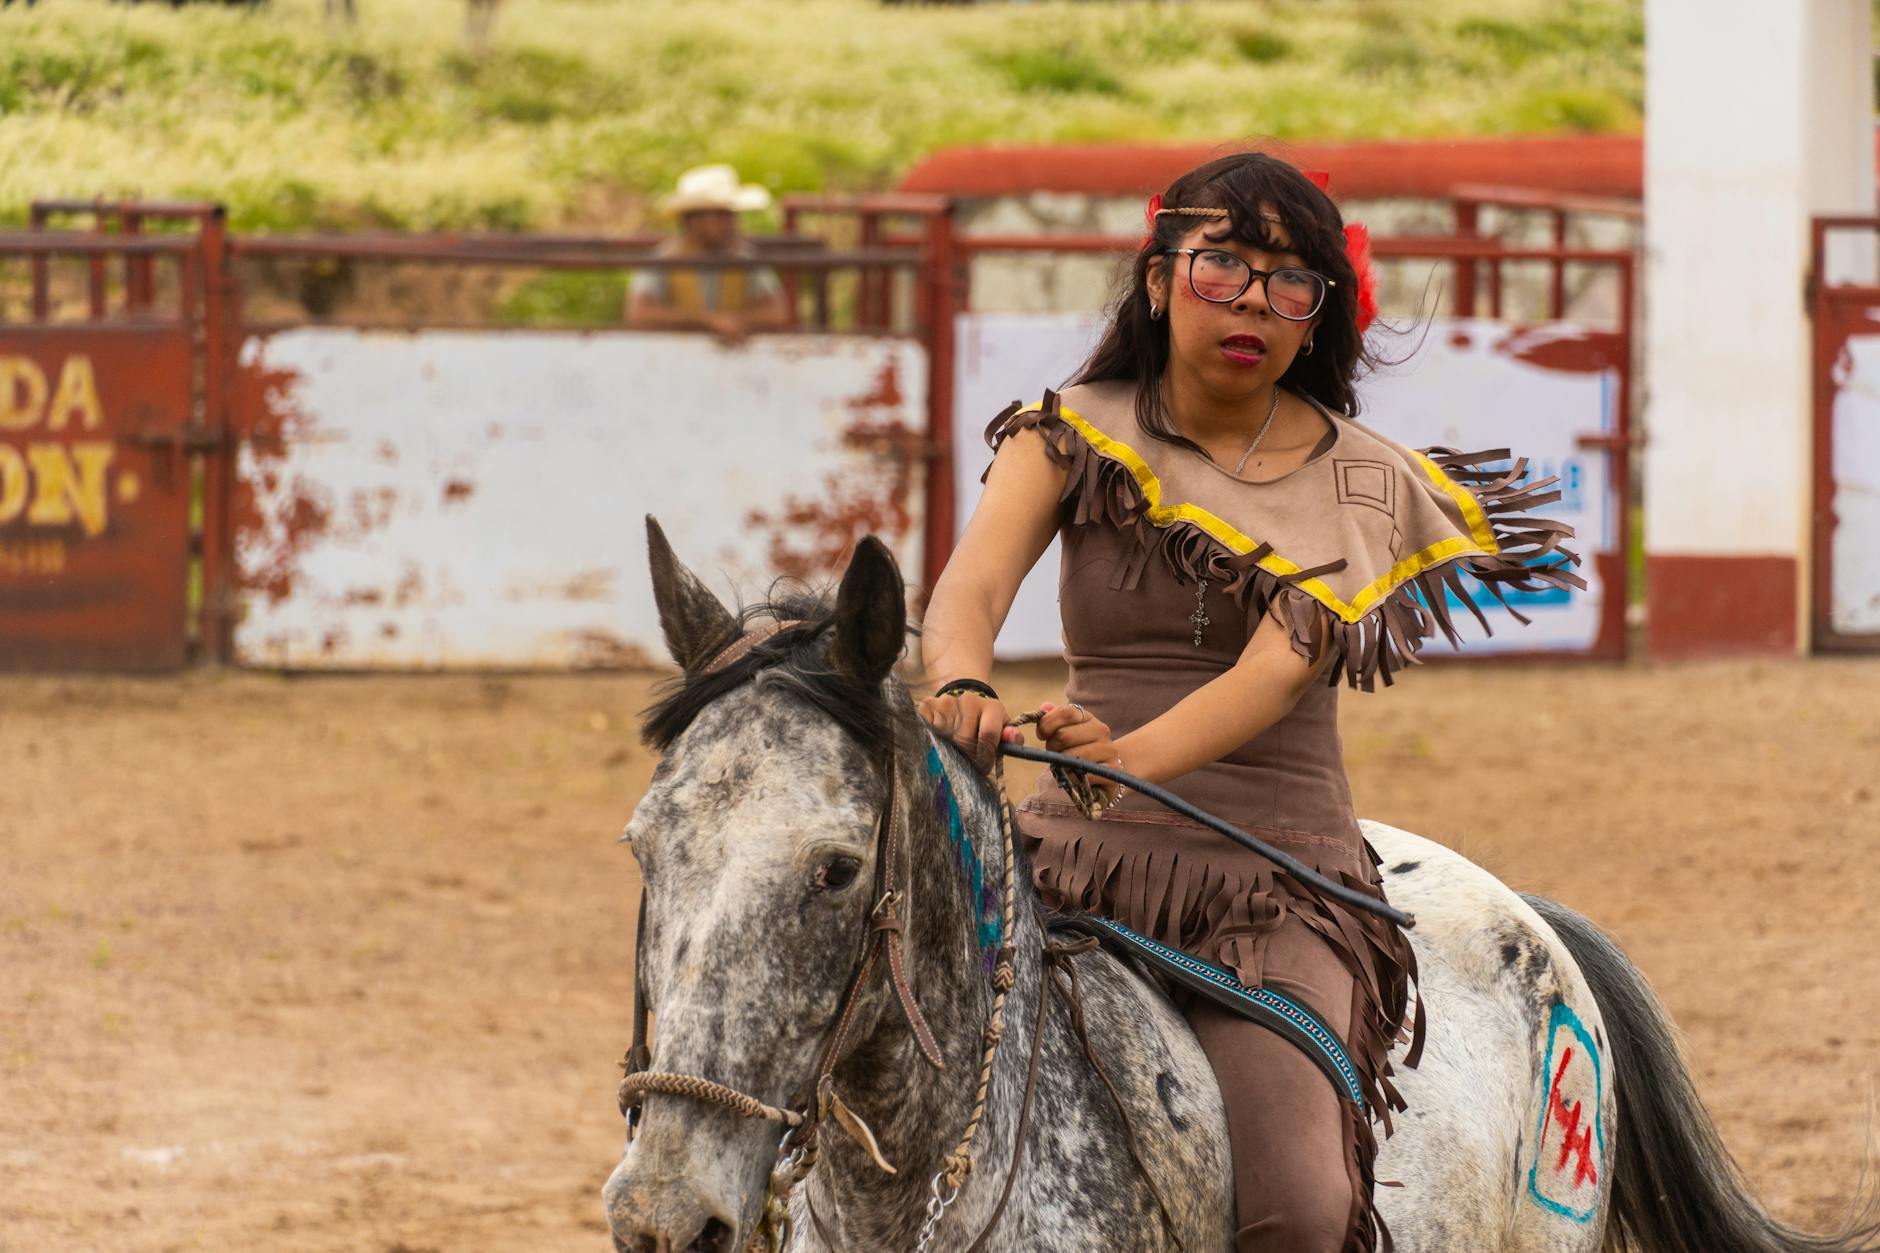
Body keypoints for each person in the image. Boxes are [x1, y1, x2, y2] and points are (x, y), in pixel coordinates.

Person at [917, 151, 1581, 1253]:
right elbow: (970, 588)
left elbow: (1271, 674)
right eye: (1222, 265)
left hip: (1270, 885)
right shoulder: (1063, 433)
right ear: (1158, 276)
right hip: (1065, 856)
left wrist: (1120, 754)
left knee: (1298, 1210)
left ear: (1318, 315)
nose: (1253, 304)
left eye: (1290, 284)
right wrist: (960, 682)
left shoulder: (1364, 485)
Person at [626, 164, 791, 342]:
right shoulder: (666, 258)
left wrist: (738, 321)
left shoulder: (744, 256)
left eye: (728, 215)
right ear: (693, 219)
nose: (730, 223)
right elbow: (639, 314)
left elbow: (777, 313)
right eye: (721, 215)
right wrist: (707, 320)